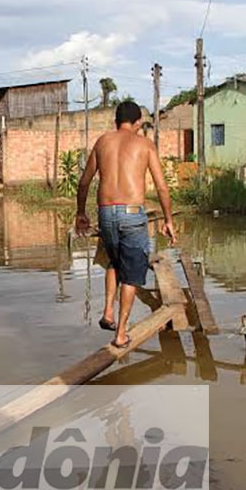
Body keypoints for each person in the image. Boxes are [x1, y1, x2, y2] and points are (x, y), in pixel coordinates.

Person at [75, 101, 177, 348]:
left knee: (113, 261)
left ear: (115, 122)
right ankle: (121, 333)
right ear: (139, 123)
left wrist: (80, 213)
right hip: (132, 214)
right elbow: (162, 186)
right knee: (131, 275)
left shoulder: (102, 142)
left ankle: (108, 311)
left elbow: (84, 182)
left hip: (106, 213)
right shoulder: (145, 145)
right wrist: (168, 220)